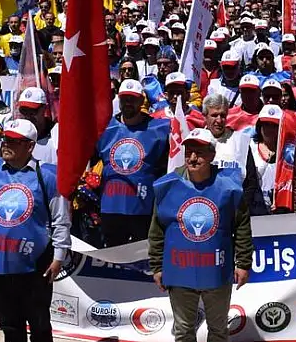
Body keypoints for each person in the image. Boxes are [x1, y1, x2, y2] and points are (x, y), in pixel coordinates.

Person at [149, 128, 251, 342]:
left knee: (218, 330)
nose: (193, 158)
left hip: (216, 270)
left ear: (212, 155)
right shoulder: (168, 186)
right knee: (184, 331)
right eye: (189, 151)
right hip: (179, 270)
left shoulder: (229, 186)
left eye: (199, 152)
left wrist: (243, 262)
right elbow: (156, 229)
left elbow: (241, 225)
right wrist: (157, 266)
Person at [0, 119, 70, 342]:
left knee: (39, 325)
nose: (6, 144)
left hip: (36, 264)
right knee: (10, 326)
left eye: (14, 142)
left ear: (30, 146)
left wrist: (59, 257)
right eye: (4, 139)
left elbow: (60, 219)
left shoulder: (47, 176)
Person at [96, 79, 171, 247]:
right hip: (110, 209)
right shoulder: (104, 128)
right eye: (124, 98)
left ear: (141, 100)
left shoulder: (160, 129)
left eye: (133, 99)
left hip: (142, 210)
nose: (128, 103)